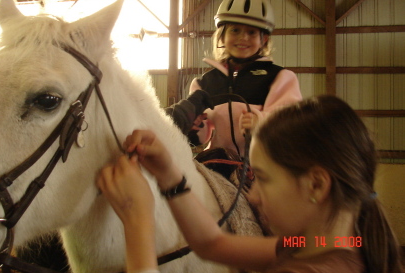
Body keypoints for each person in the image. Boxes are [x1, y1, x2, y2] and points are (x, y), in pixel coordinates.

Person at [97, 95, 403, 273]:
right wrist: (168, 175)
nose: (253, 196)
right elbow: (213, 244)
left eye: (264, 179)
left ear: (316, 185)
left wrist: (137, 222)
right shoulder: (323, 243)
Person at [187, 0, 302, 160]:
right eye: (235, 30)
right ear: (222, 36)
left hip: (262, 165)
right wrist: (195, 127)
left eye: (251, 32)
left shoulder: (280, 77)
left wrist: (262, 123)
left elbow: (294, 124)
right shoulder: (204, 84)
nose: (243, 38)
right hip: (217, 162)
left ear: (263, 40)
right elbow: (200, 138)